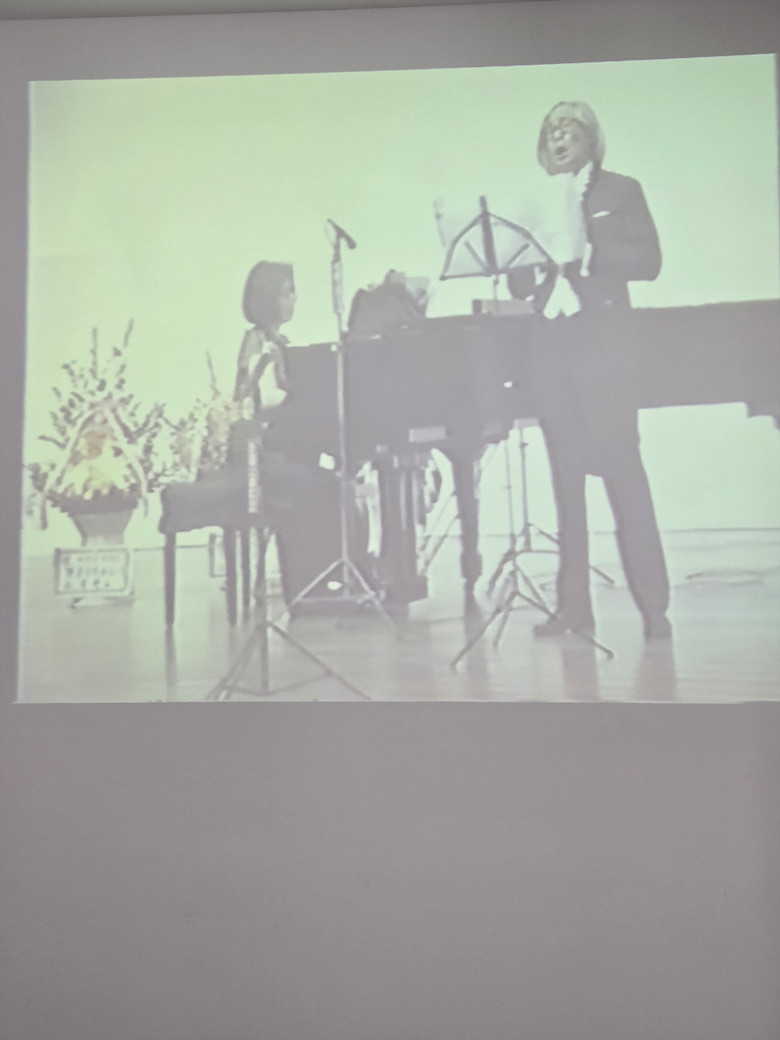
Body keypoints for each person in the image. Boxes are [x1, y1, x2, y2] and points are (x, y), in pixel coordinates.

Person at [507, 101, 671, 640]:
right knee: (566, 482)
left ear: (590, 139)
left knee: (624, 476)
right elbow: (519, 284)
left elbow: (649, 262)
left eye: (570, 130)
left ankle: (654, 607)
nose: (559, 139)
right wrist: (522, 264)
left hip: (605, 350)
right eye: (551, 132)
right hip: (552, 350)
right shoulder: (535, 201)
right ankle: (574, 608)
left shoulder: (620, 190)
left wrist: (590, 253)